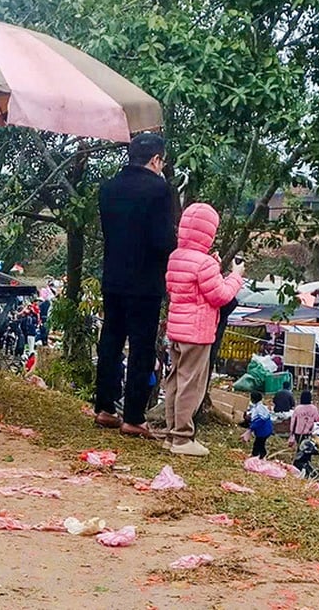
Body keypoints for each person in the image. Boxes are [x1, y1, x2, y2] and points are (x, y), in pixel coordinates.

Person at [93, 133, 176, 439]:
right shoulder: (158, 189)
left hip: (113, 276)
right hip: (145, 282)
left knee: (111, 340)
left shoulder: (109, 188)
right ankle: (134, 417)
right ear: (156, 159)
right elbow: (161, 240)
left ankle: (104, 408)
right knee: (141, 347)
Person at [161, 202, 243, 455]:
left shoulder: (176, 257)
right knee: (191, 384)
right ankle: (183, 438)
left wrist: (212, 266)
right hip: (197, 333)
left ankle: (171, 432)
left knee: (175, 379)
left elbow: (189, 287)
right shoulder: (204, 264)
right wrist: (236, 276)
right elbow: (220, 296)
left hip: (177, 329)